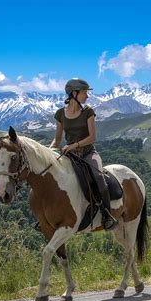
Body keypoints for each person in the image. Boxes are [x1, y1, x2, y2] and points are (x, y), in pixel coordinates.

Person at [49, 78, 117, 230]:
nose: (87, 96)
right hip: (70, 156)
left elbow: (92, 138)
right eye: (84, 92)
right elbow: (57, 139)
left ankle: (107, 215)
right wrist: (50, 151)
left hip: (88, 154)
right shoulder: (60, 114)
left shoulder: (88, 112)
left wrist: (74, 145)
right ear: (74, 93)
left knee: (99, 177)